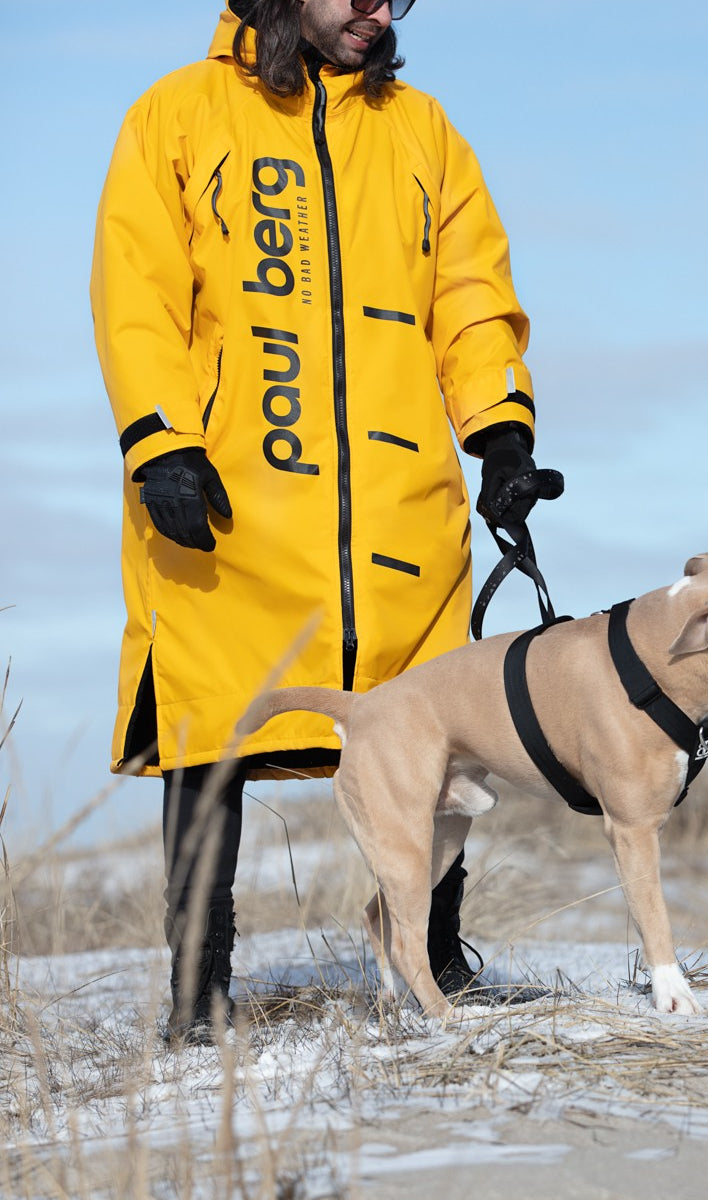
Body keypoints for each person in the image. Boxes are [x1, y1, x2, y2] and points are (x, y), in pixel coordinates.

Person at [90, 0, 559, 1042]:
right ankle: (198, 994)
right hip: (230, 511)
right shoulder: (176, 115)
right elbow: (139, 293)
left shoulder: (422, 129)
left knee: (435, 739)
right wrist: (160, 437)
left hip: (397, 517)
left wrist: (500, 436)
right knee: (212, 729)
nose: (377, 13)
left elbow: (471, 294)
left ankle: (431, 959)